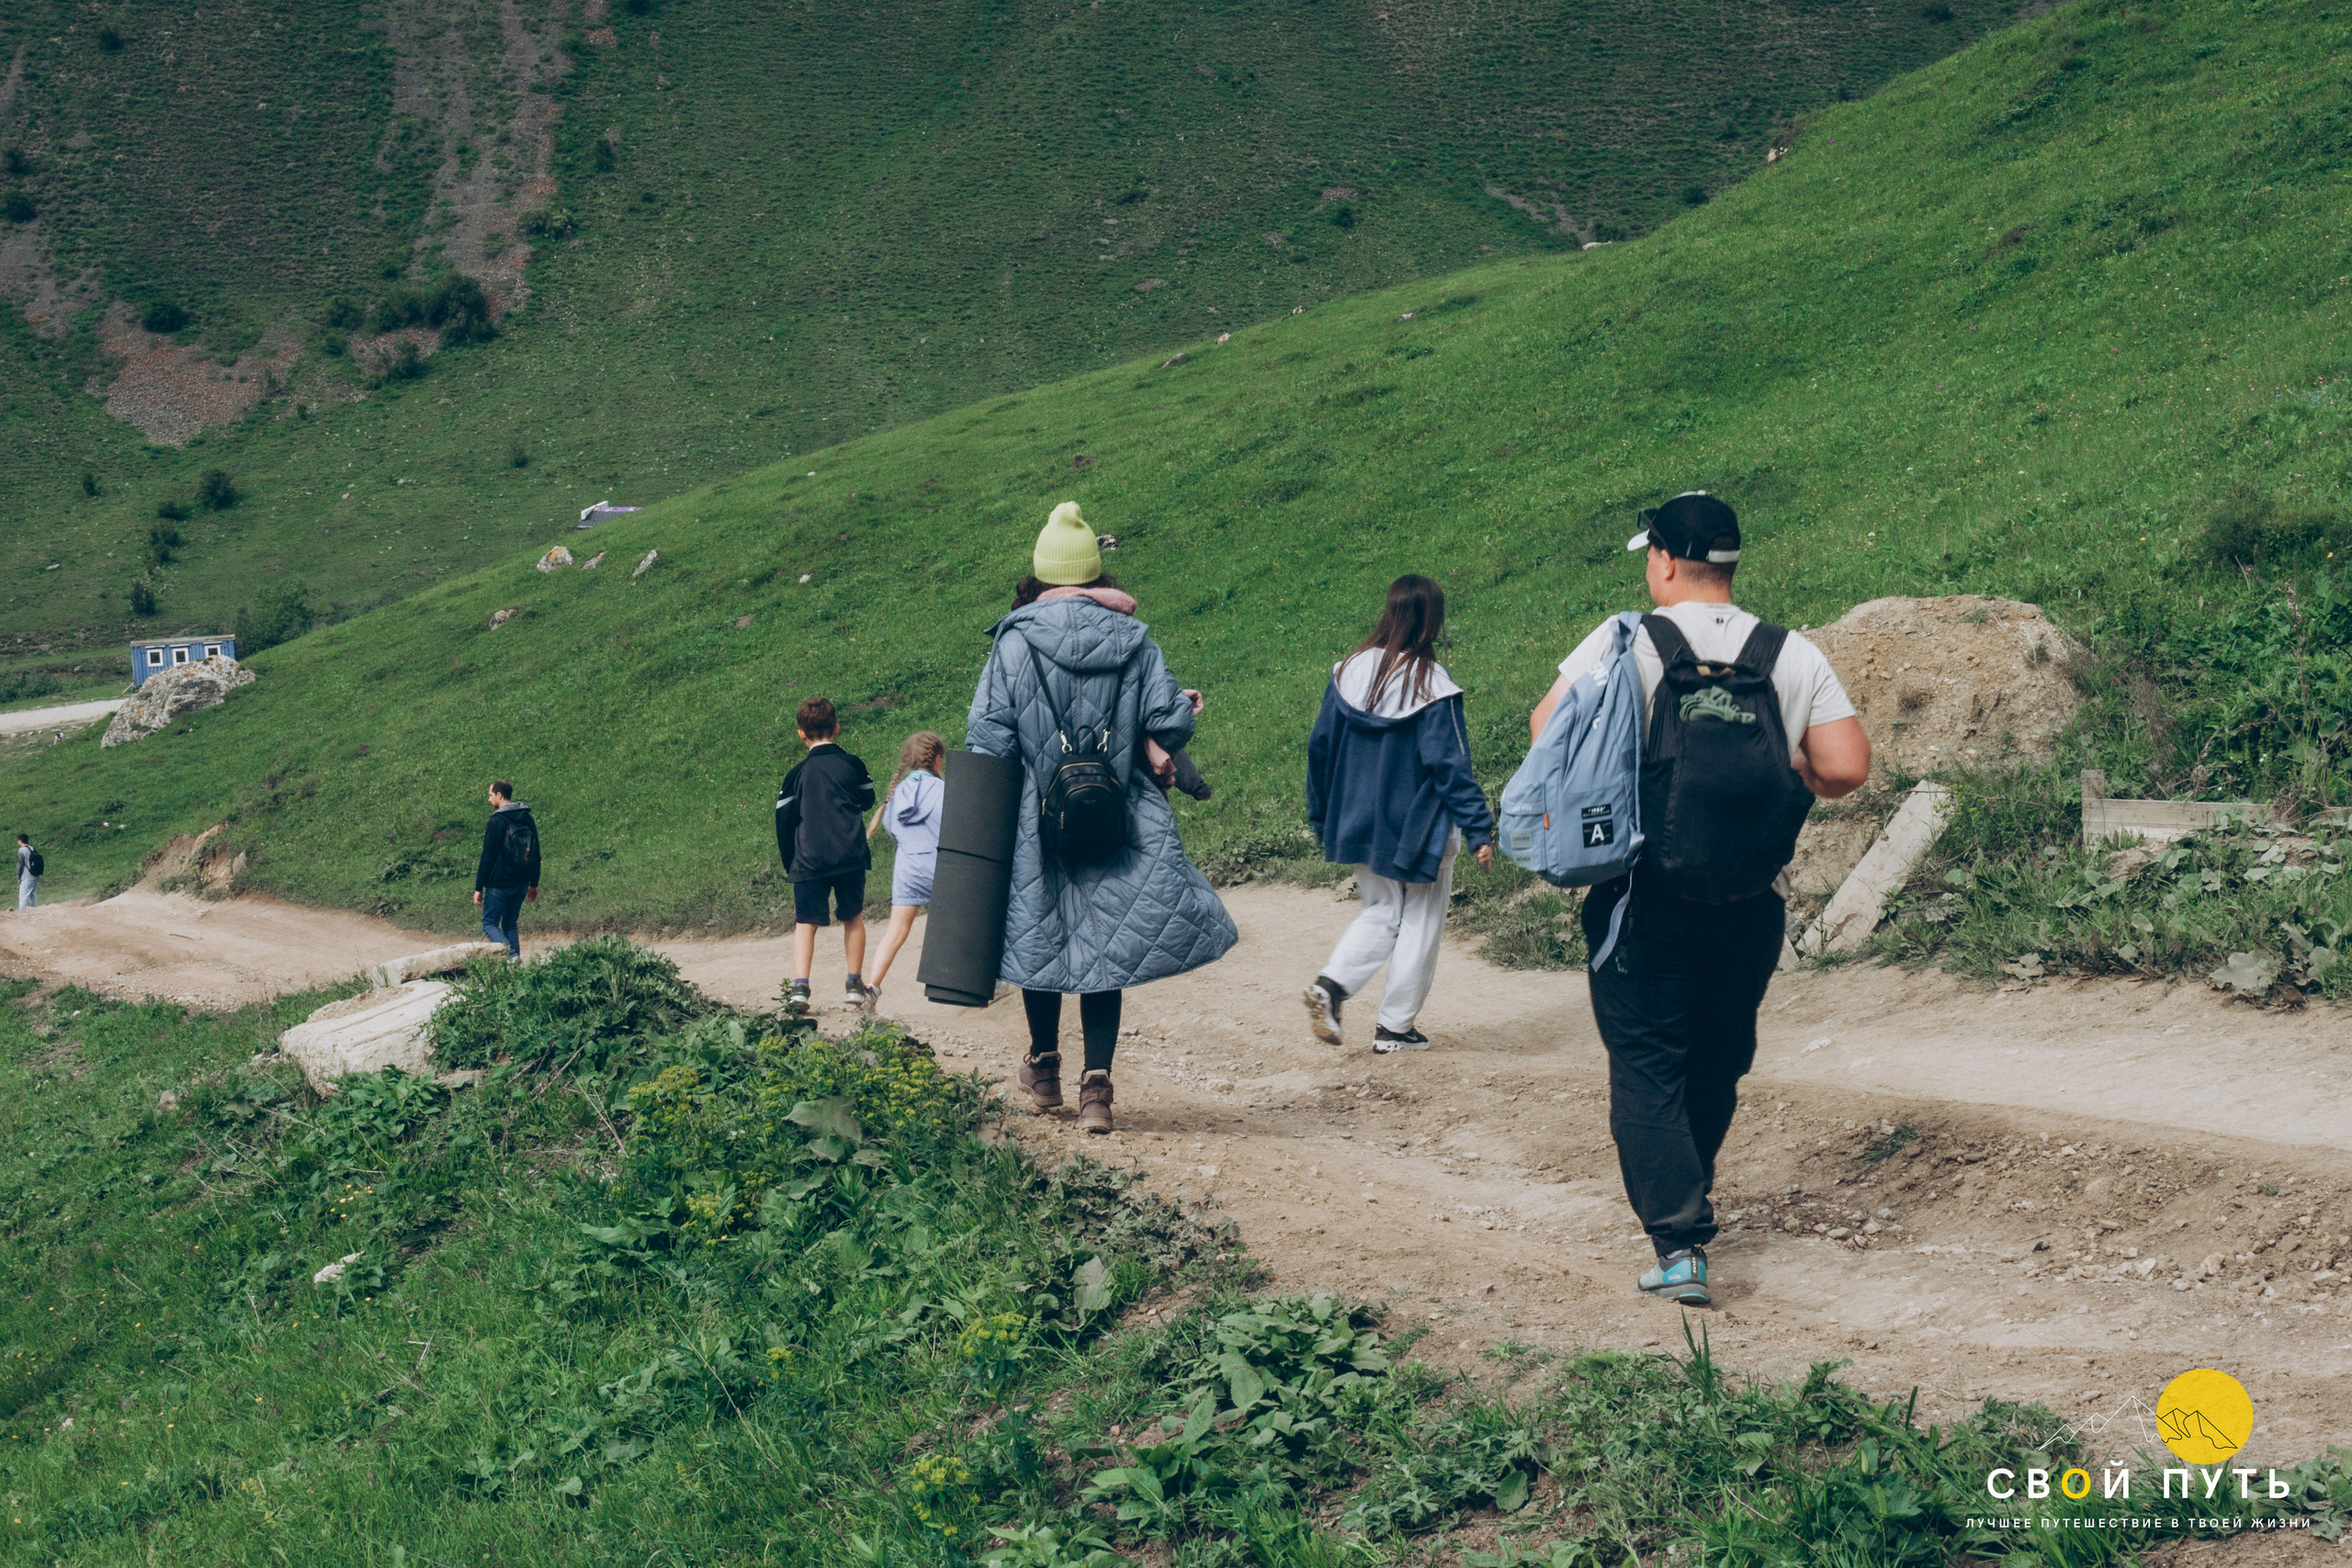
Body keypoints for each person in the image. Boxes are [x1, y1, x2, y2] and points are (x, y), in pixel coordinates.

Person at [1528, 491, 1870, 1307]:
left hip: (1641, 897)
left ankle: (1678, 1242)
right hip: (1749, 901)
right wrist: (1790, 772)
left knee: (1647, 1061)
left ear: (1664, 560)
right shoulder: (1791, 653)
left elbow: (1547, 727)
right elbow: (1847, 768)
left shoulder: (1624, 642)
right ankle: (1688, 1193)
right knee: (1716, 1057)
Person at [967, 501, 1237, 1134]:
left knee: (1043, 940)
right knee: (1104, 950)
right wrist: (1173, 712)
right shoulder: (1135, 640)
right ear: (1093, 576)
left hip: (1038, 820)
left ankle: (1045, 1067)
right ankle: (1098, 1089)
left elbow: (988, 740)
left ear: (1041, 575)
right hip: (1117, 812)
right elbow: (1169, 720)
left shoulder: (1013, 643)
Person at [1302, 575, 1496, 1052]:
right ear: (1432, 621)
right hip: (1418, 828)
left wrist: (1321, 813)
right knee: (1421, 919)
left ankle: (1330, 987)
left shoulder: (1347, 672)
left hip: (1356, 820)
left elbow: (1319, 747)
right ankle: (1395, 1028)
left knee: (1382, 910)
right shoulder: (1432, 686)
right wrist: (1478, 828)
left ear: (1389, 612)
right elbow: (1449, 766)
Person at [776, 695, 877, 1012]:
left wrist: (791, 862)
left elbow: (784, 822)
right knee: (853, 917)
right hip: (850, 855)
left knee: (806, 922)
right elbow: (868, 800)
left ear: (800, 734)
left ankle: (800, 989)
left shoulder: (796, 774)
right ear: (836, 728)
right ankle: (854, 986)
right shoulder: (853, 764)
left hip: (809, 859)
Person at [862, 729, 947, 1010]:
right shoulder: (945, 790)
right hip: (942, 866)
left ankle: (872, 986)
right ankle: (983, 980)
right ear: (937, 759)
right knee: (966, 918)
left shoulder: (897, 793)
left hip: (908, 869)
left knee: (896, 929)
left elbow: (891, 828)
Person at [471, 782, 540, 957]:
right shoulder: (526, 818)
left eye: (490, 795)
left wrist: (479, 887)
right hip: (522, 882)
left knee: (488, 923)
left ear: (499, 795)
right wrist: (534, 883)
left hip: (499, 884)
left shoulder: (497, 821)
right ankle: (515, 965)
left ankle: (511, 958)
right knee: (509, 923)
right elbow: (535, 852)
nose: (489, 799)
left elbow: (488, 856)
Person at [15, 834, 38, 910]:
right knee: (32, 894)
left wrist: (18, 876)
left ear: (20, 841)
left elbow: (20, 864)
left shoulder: (22, 850)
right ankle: (34, 909)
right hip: (35, 874)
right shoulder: (32, 848)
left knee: (23, 895)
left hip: (26, 876)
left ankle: (22, 911)